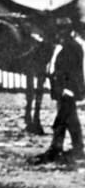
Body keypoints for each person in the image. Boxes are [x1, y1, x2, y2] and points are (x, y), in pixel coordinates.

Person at [31, 18, 85, 164]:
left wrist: (68, 89)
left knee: (61, 120)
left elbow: (74, 71)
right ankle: (77, 148)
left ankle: (56, 148)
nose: (59, 33)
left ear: (68, 31)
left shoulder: (73, 47)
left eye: (62, 30)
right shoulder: (64, 46)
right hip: (62, 89)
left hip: (68, 90)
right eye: (59, 30)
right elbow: (59, 69)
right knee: (71, 119)